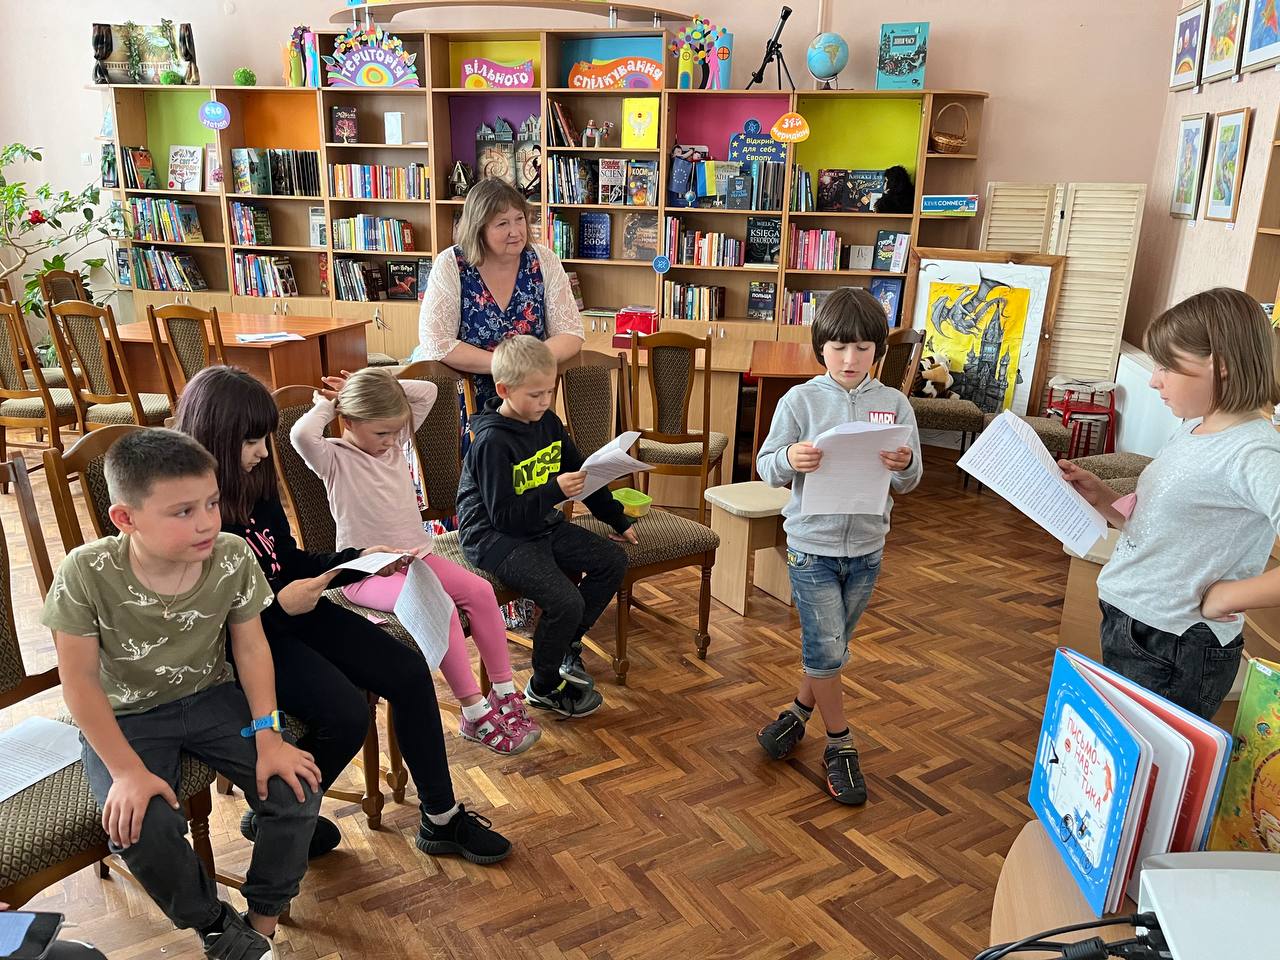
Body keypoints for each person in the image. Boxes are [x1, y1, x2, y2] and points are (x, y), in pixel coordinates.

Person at [176, 365, 511, 864]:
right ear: (215, 437)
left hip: (292, 613)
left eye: (264, 439)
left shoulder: (252, 484)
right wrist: (279, 606)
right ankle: (282, 813)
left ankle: (440, 818)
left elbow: (287, 562)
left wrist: (355, 560)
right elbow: (201, 624)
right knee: (347, 716)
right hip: (248, 643)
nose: (264, 452)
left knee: (408, 673)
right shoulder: (185, 513)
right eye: (252, 441)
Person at [41, 429, 321, 960]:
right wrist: (126, 771)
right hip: (126, 717)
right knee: (139, 826)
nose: (208, 522)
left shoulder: (231, 555)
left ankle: (260, 927)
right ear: (125, 518)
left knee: (296, 790)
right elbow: (78, 682)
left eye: (212, 503)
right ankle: (215, 926)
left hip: (211, 697)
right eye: (184, 511)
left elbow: (252, 648)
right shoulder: (86, 571)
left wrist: (270, 736)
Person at [291, 366, 539, 755]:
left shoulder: (392, 442)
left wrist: (367, 383)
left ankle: (504, 693)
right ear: (349, 421)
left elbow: (426, 391)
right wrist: (334, 403)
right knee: (440, 608)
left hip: (416, 558)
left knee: (480, 591)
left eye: (395, 431)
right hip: (364, 573)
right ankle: (474, 711)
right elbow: (301, 434)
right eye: (381, 433)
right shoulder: (333, 456)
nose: (392, 440)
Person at [1060, 287, 1280, 720]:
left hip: (1175, 644)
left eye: (1166, 365)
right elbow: (1165, 523)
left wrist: (1227, 597)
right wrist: (1105, 500)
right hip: (1133, 624)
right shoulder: (1194, 428)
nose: (1153, 380)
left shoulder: (1255, 453)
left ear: (1221, 365)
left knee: (1152, 759)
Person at [755, 288, 922, 805]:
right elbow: (766, 466)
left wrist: (903, 466)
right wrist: (790, 458)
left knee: (830, 649)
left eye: (863, 349)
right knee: (827, 649)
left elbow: (911, 480)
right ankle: (841, 744)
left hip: (868, 549)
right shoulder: (800, 401)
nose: (850, 359)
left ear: (878, 351)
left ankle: (797, 713)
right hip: (811, 548)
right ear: (820, 348)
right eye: (838, 348)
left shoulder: (895, 404)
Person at [456, 335, 636, 718]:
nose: (544, 402)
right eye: (535, 394)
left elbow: (584, 475)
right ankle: (543, 685)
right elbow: (504, 517)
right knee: (566, 601)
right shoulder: (491, 442)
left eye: (550, 392)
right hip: (494, 537)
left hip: (538, 524)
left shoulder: (548, 422)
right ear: (504, 390)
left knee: (612, 561)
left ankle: (564, 644)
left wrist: (615, 517)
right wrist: (554, 490)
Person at [415, 177, 584, 409]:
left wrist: (530, 363)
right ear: (479, 228)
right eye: (502, 224)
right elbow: (436, 342)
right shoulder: (451, 264)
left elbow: (571, 333)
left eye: (519, 219)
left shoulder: (544, 260)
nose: (515, 231)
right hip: (468, 404)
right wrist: (506, 364)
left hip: (529, 403)